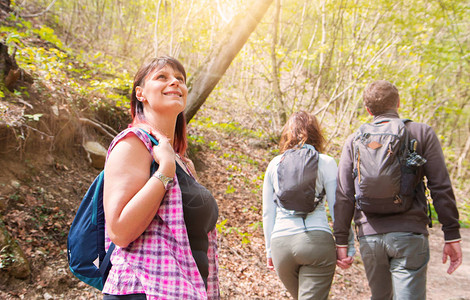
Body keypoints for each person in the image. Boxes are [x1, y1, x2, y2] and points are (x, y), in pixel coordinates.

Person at [102, 56, 219, 299]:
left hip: (180, 289)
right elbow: (119, 231)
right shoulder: (133, 143)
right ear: (141, 93)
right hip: (141, 289)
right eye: (162, 77)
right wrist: (164, 171)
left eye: (180, 79)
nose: (175, 82)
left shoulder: (181, 161)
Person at [334, 80, 462, 299]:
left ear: (368, 109)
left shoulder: (354, 140)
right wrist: (451, 234)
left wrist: (341, 241)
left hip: (369, 236)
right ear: (398, 103)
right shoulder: (421, 133)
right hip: (409, 234)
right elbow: (440, 186)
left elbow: (344, 195)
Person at [262, 111, 355, 300]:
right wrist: (347, 246)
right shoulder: (326, 162)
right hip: (316, 243)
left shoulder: (274, 164)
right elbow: (339, 207)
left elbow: (267, 212)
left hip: (281, 245)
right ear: (316, 133)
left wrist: (270, 251)